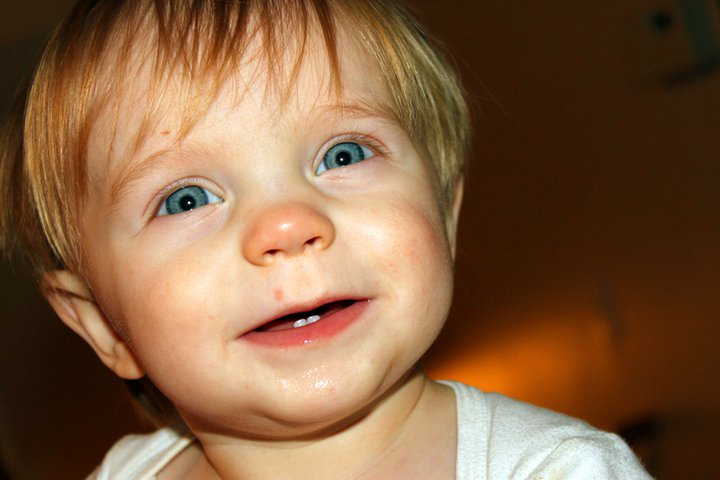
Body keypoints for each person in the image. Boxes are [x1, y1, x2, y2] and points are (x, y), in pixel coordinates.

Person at [0, 0, 652, 478]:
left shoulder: (560, 471)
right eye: (186, 199)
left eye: (342, 154)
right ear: (102, 327)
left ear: (445, 217)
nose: (287, 225)